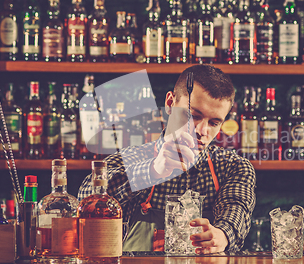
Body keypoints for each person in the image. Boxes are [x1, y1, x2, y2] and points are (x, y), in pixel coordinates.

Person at [78, 65, 256, 254]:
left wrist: (222, 235)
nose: (202, 131)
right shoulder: (131, 159)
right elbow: (85, 200)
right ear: (170, 104)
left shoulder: (233, 167)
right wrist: (151, 171)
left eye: (214, 123)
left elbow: (237, 209)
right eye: (194, 116)